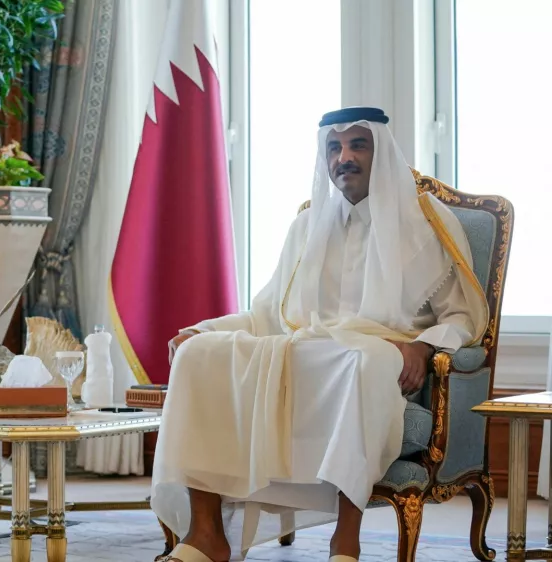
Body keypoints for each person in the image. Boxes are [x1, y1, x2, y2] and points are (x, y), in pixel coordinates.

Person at [151, 107, 490, 562]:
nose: (344, 157)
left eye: (357, 145)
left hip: (383, 352)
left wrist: (422, 345)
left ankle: (344, 542)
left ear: (380, 152)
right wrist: (205, 331)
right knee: (200, 354)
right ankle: (206, 535)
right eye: (335, 148)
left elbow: (464, 318)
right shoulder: (306, 226)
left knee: (363, 362)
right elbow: (268, 313)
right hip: (308, 351)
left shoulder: (426, 224)